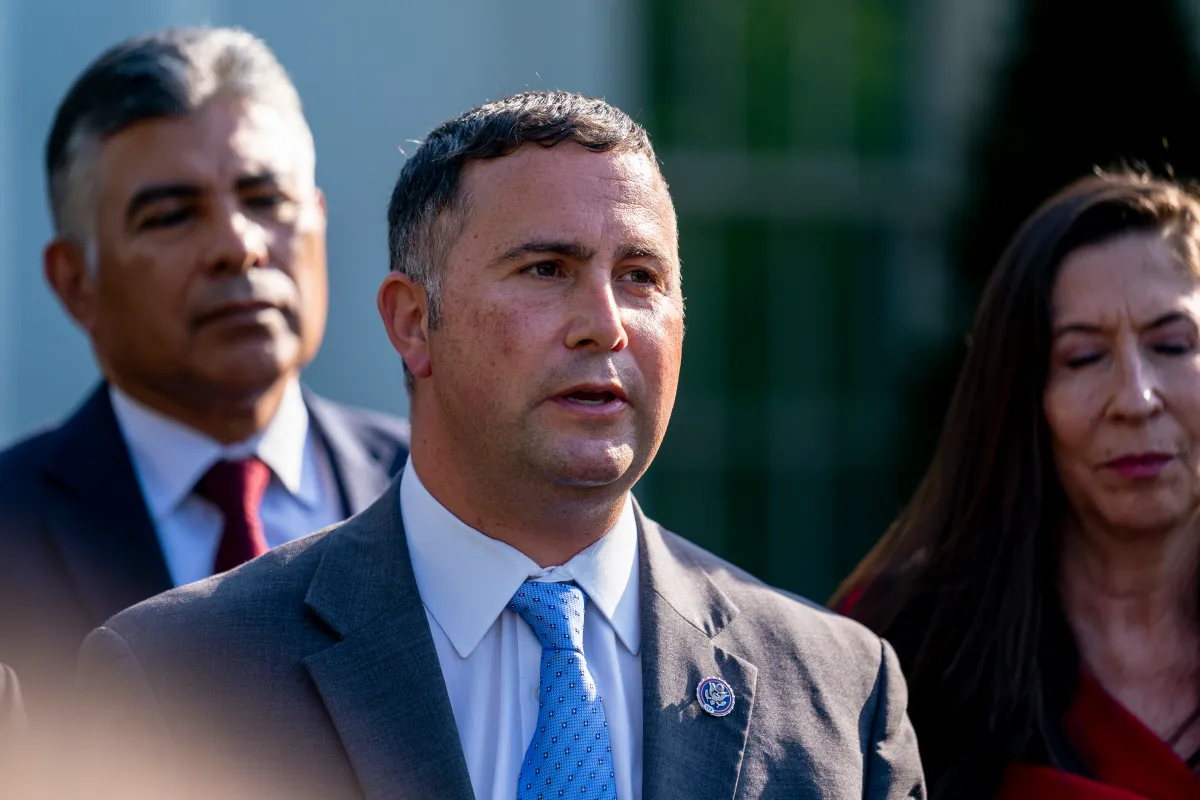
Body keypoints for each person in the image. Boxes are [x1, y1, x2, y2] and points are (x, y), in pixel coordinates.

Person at [76, 91, 925, 799]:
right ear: (415, 323)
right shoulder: (178, 680)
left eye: (641, 277)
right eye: (547, 269)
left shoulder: (838, 691)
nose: (605, 325)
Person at [0, 27, 409, 722]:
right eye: (172, 216)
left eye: (266, 199)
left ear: (317, 221)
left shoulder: (439, 497)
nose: (237, 245)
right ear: (74, 282)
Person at [832, 171, 1200, 799]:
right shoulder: (901, 644)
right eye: (1083, 357)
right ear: (1023, 395)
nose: (1135, 400)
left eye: (1172, 345)